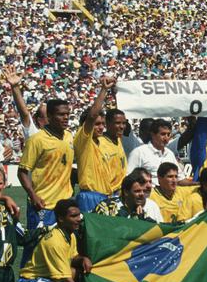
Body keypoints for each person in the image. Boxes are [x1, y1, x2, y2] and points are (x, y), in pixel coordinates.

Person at [18, 199, 97, 282]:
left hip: (46, 278)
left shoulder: (69, 234)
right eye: (73, 216)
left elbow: (73, 257)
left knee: (78, 272)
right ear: (61, 218)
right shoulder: (55, 241)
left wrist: (83, 259)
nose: (78, 219)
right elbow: (67, 281)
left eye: (79, 215)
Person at [18, 98, 75, 265]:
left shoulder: (69, 136)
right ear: (49, 116)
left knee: (63, 248)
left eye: (67, 114)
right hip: (43, 204)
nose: (66, 118)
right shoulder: (37, 140)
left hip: (64, 204)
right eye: (61, 114)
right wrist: (33, 195)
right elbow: (22, 172)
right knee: (36, 248)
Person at [73, 76, 120, 212]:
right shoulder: (83, 140)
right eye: (97, 124)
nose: (101, 127)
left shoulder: (103, 142)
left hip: (107, 196)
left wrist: (115, 93)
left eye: (103, 124)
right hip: (90, 196)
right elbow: (92, 116)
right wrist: (104, 90)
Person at [127, 119, 178, 184]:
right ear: (153, 135)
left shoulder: (170, 154)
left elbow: (180, 178)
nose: (166, 138)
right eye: (163, 134)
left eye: (168, 134)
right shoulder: (139, 153)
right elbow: (129, 179)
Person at [2, 65, 46, 140]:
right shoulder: (34, 134)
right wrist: (15, 86)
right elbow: (24, 113)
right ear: (40, 120)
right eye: (48, 115)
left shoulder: (64, 136)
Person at [94, 174, 159, 222]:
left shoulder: (140, 212)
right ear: (126, 192)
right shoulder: (107, 207)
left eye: (144, 191)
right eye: (137, 191)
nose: (142, 194)